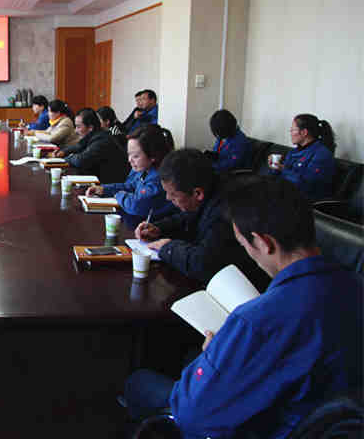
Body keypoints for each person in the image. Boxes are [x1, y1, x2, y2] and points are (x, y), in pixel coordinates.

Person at [124, 176, 363, 439]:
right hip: (325, 418)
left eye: (244, 244)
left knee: (139, 382)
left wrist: (211, 354)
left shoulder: (256, 320)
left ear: (263, 243)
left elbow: (191, 416)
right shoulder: (354, 284)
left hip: (266, 426)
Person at [134, 149, 269, 289]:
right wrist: (159, 228)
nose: (168, 198)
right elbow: (189, 216)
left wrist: (168, 248)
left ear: (197, 193)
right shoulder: (211, 186)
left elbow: (203, 264)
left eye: (173, 195)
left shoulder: (225, 210)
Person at [86, 124, 175, 218]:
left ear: (153, 155)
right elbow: (131, 186)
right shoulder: (143, 169)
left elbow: (136, 205)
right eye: (129, 154)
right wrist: (104, 189)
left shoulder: (159, 178)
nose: (129, 160)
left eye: (135, 156)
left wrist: (118, 195)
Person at [269, 113, 336, 200]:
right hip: (285, 193)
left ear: (304, 132)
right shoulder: (294, 152)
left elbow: (307, 184)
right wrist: (274, 166)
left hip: (304, 200)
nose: (291, 133)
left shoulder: (322, 154)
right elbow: (277, 177)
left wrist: (283, 169)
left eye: (293, 130)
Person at [54, 108, 129, 184]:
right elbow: (79, 146)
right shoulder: (94, 135)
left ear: (90, 127)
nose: (75, 131)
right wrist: (63, 151)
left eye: (78, 127)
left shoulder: (102, 140)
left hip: (110, 183)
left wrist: (68, 158)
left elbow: (81, 160)